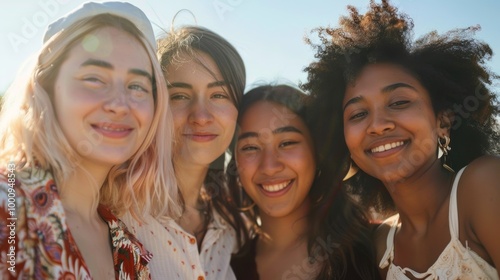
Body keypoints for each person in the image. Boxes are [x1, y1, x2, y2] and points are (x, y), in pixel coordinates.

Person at [302, 0, 500, 279]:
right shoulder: (379, 245)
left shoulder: (484, 185)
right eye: (358, 114)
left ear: (442, 120)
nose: (378, 125)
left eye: (399, 102)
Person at [0, 2, 180, 279]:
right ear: (46, 89)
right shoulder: (8, 205)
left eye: (137, 86)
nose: (120, 104)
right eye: (94, 78)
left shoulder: (130, 251)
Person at [121, 25, 247, 280]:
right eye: (179, 95)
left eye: (219, 94)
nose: (201, 116)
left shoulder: (231, 227)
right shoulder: (117, 209)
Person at [229, 85, 379, 280]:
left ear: (317, 153)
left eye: (287, 143)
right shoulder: (221, 267)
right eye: (250, 147)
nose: (269, 166)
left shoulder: (377, 248)